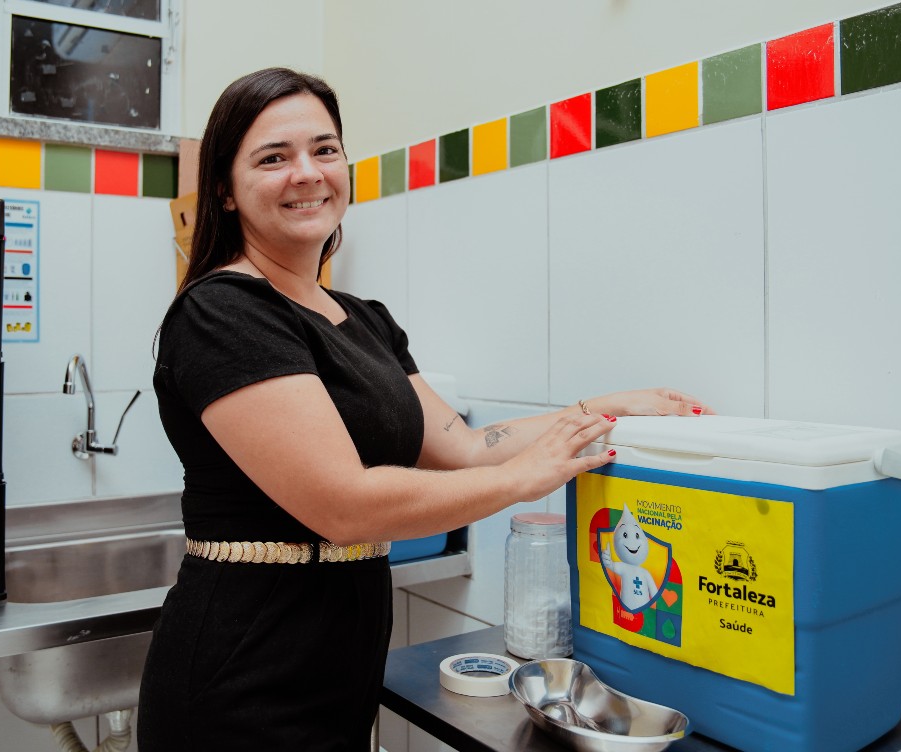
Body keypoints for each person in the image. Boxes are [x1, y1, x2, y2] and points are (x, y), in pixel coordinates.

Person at [139, 66, 710, 750]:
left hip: (338, 661)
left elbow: (465, 447)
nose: (307, 173)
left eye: (324, 150)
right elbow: (342, 505)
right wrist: (524, 483)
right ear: (227, 194)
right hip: (243, 666)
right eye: (273, 158)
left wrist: (597, 409)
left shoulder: (363, 320)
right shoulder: (223, 313)